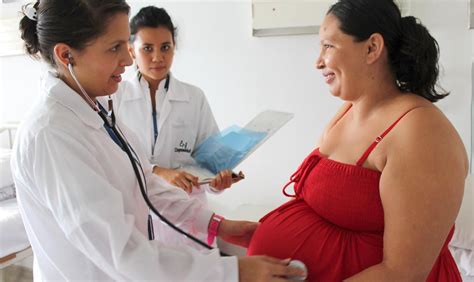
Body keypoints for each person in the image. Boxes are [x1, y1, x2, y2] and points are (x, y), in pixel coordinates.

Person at [12, 0, 305, 281]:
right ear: (66, 55)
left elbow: (147, 185)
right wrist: (233, 273)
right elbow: (122, 252)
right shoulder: (51, 135)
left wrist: (217, 225)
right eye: (115, 48)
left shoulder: (98, 110)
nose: (128, 59)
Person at [247, 0, 468, 281]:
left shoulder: (421, 132)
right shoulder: (351, 108)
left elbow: (404, 273)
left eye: (328, 46)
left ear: (372, 48)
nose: (318, 61)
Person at [114, 6, 235, 194]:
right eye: (147, 48)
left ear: (174, 48)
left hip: (187, 206)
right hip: (137, 206)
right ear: (131, 51)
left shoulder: (194, 98)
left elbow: (210, 163)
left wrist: (216, 181)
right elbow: (112, 160)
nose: (157, 57)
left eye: (165, 47)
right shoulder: (115, 96)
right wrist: (158, 171)